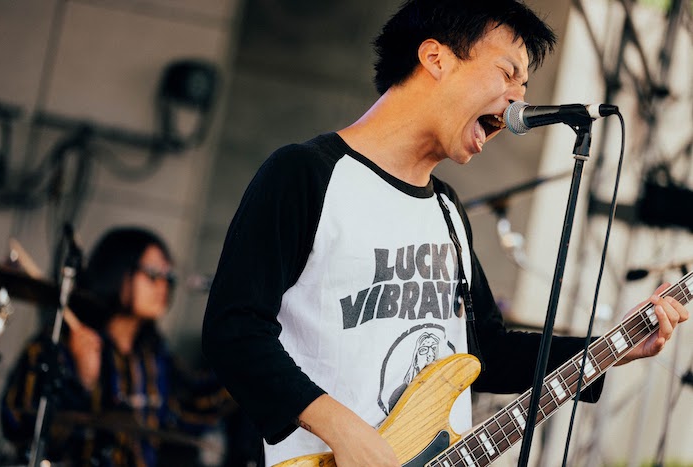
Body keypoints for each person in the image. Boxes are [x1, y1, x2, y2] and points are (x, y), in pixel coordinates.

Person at [201, 1, 690, 466]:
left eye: (524, 85)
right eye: (508, 73)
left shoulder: (447, 210)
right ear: (436, 59)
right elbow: (235, 330)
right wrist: (343, 429)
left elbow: (487, 353)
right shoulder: (307, 175)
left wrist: (613, 347)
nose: (519, 99)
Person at [0, 226, 232, 466]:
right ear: (118, 270)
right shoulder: (60, 343)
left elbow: (194, 408)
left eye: (169, 277)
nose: (163, 285)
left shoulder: (153, 355)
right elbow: (19, 423)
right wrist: (81, 382)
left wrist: (249, 361)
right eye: (153, 273)